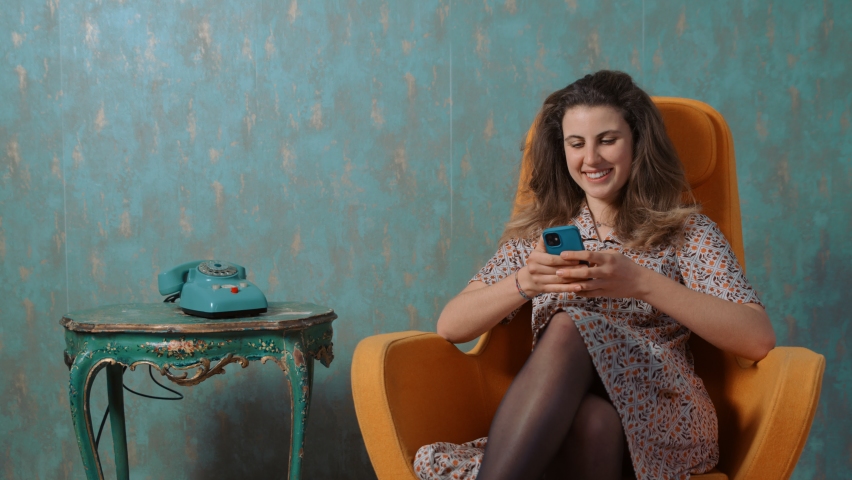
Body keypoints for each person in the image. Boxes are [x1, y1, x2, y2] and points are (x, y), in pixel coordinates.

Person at [412, 71, 776, 480]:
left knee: (568, 324)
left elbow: (757, 337)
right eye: (576, 143)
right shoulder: (542, 235)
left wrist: (642, 283)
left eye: (607, 140)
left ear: (637, 141)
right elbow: (451, 325)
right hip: (570, 420)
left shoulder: (685, 231)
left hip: (661, 414)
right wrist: (524, 284)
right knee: (593, 421)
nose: (591, 159)